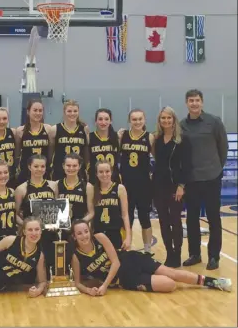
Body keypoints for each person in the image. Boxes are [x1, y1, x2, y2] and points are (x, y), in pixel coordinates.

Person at [70, 219, 232, 296]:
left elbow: (116, 262)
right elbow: (77, 282)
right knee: (170, 285)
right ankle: (154, 277)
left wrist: (104, 285)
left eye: (85, 231)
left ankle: (215, 282)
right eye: (79, 233)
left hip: (132, 260)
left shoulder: (99, 237)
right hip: (127, 279)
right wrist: (88, 291)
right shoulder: (77, 257)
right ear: (74, 236)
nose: (84, 235)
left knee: (172, 273)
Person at [180, 89, 228, 270]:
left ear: (202, 102)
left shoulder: (214, 122)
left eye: (197, 100)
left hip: (211, 178)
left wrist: (216, 167)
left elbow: (223, 147)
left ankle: (214, 256)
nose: (194, 103)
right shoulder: (182, 125)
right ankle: (195, 254)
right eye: (191, 100)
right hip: (191, 179)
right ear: (186, 103)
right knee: (191, 218)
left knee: (213, 217)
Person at [152, 107, 192, 268]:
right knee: (163, 221)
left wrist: (181, 185)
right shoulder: (157, 139)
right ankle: (169, 252)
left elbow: (187, 165)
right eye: (163, 118)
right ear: (159, 121)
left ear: (174, 120)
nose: (166, 121)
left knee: (175, 220)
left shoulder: (182, 140)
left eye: (169, 118)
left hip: (175, 186)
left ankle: (177, 253)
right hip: (159, 185)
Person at [119, 109, 154, 254]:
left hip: (144, 184)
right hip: (126, 184)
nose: (137, 122)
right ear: (129, 121)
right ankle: (126, 248)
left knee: (145, 218)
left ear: (144, 120)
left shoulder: (149, 137)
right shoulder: (122, 136)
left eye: (140, 119)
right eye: (134, 119)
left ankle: (148, 250)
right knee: (127, 218)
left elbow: (157, 158)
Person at [15, 154, 58, 275]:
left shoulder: (53, 186)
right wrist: (25, 226)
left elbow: (57, 208)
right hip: (32, 234)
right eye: (36, 166)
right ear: (29, 167)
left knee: (50, 265)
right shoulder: (21, 189)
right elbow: (15, 214)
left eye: (42, 166)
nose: (39, 169)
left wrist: (59, 222)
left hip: (50, 232)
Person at [92, 160, 131, 251]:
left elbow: (125, 215)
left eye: (107, 171)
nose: (104, 174)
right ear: (96, 174)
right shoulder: (92, 190)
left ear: (112, 172)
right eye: (101, 172)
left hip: (116, 232)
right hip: (98, 233)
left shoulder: (120, 188)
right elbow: (91, 213)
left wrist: (128, 237)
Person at [49, 100, 89, 181]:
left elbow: (86, 151)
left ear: (78, 112)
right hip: (59, 170)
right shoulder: (55, 129)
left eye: (75, 111)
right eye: (69, 111)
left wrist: (87, 168)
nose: (72, 113)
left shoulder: (84, 129)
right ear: (64, 112)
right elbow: (51, 151)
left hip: (78, 170)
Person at [15, 99, 52, 186]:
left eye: (40, 110)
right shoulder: (20, 130)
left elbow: (51, 152)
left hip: (43, 171)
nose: (38, 113)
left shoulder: (48, 129)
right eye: (35, 110)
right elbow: (17, 153)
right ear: (28, 111)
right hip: (26, 172)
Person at [88, 109, 120, 185]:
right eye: (100, 119)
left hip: (113, 179)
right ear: (95, 121)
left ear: (110, 121)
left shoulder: (117, 137)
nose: (103, 122)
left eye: (106, 119)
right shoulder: (89, 137)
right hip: (95, 180)